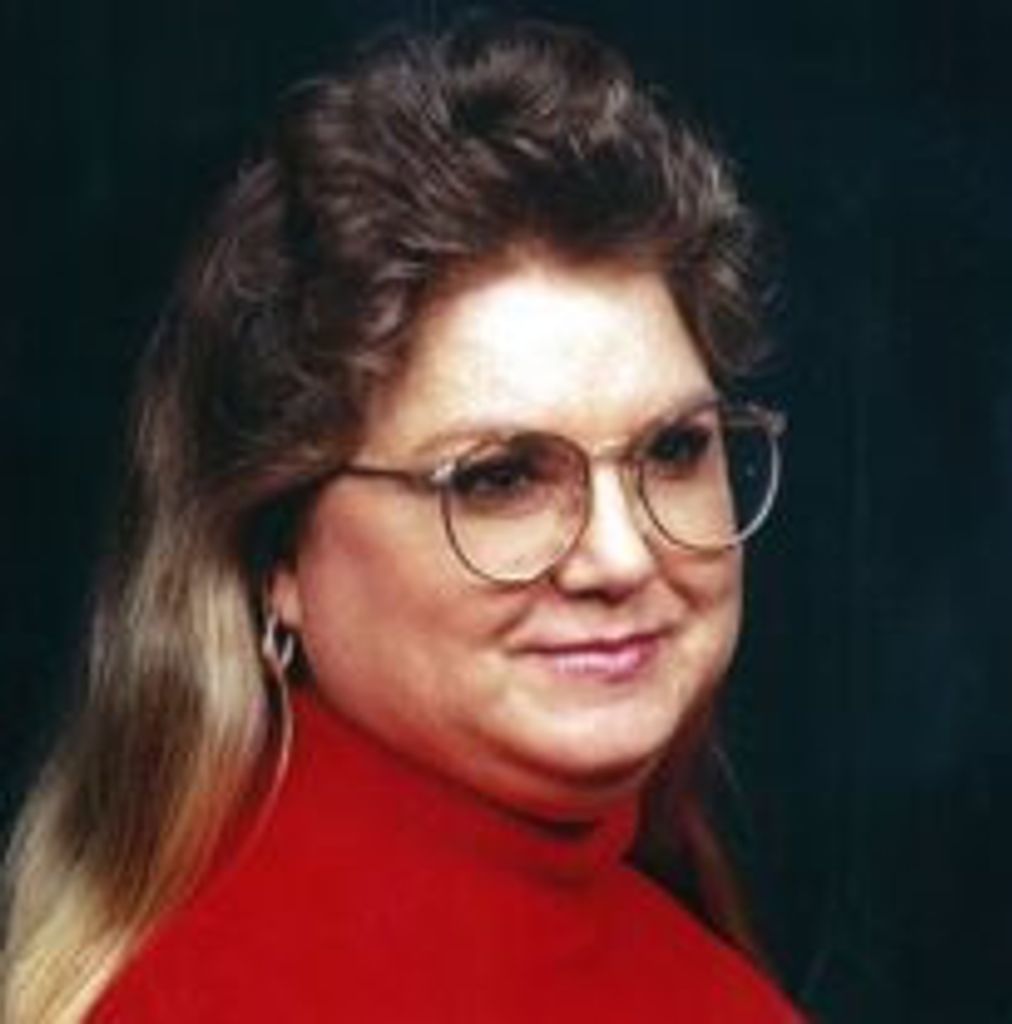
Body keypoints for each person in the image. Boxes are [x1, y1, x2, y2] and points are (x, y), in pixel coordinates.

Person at [2, 16, 799, 1023]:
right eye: (499, 478)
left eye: (673, 450)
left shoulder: (665, 954)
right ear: (276, 554)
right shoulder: (230, 993)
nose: (620, 554)